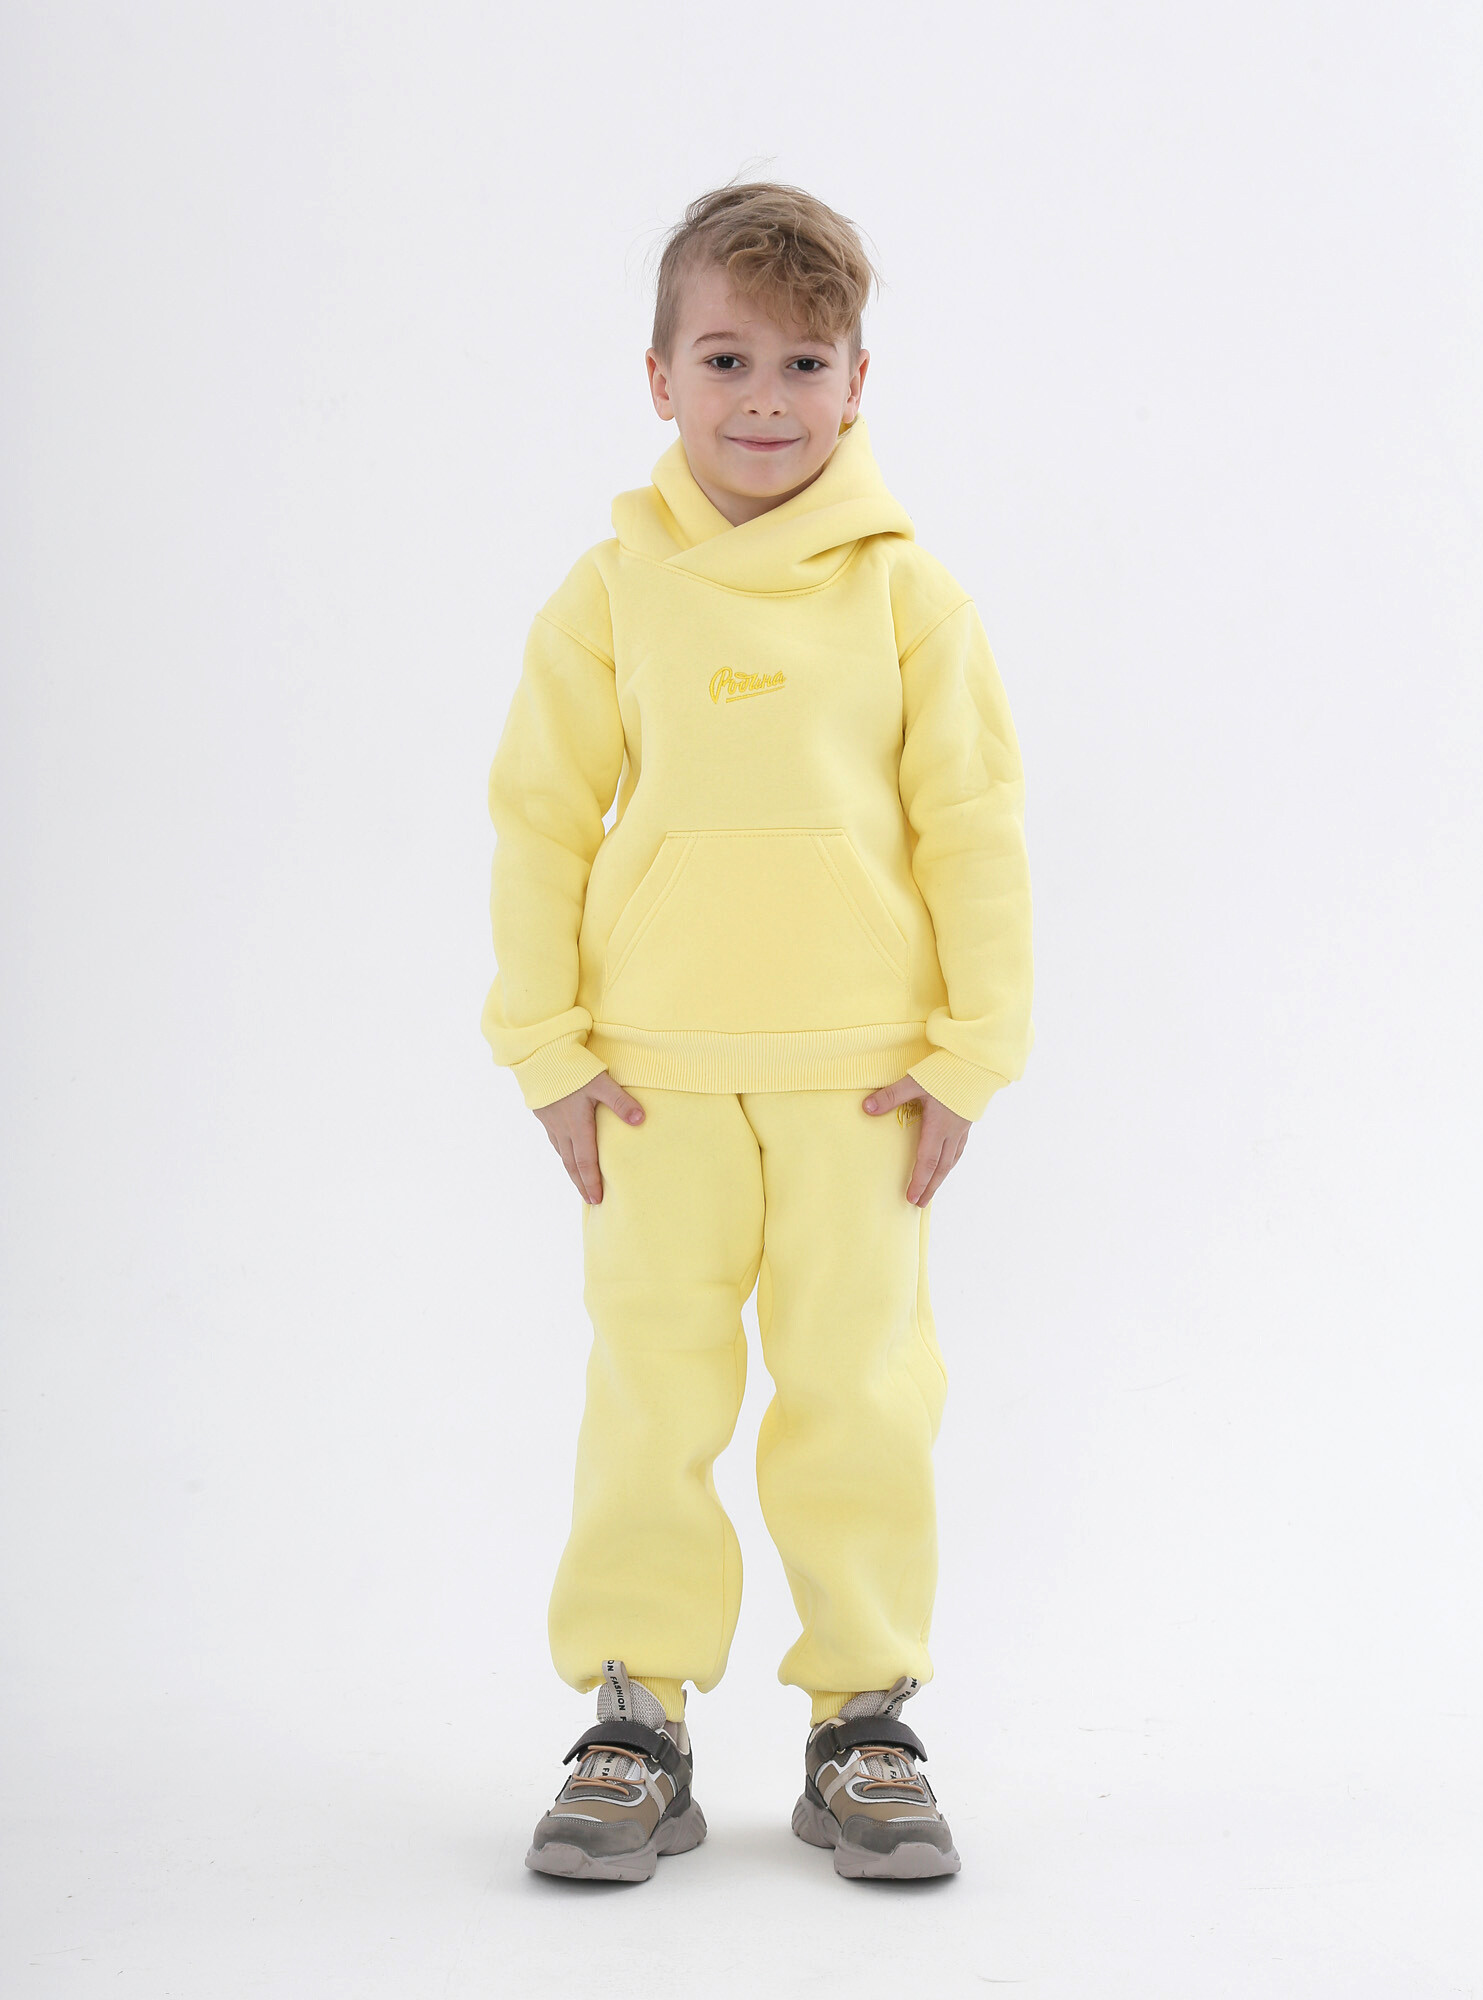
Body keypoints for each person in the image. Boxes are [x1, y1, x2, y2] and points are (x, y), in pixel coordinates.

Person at [481, 180, 1034, 1883]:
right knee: (650, 1394)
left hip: (862, 1085)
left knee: (860, 1394)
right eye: (727, 359)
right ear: (660, 376)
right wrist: (549, 1046)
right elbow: (539, 819)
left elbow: (975, 827)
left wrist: (969, 1055)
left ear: (860, 381)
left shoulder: (909, 599)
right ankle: (633, 1715)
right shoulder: (608, 596)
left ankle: (864, 1717)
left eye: (806, 362)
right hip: (650, 1088)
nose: (767, 399)